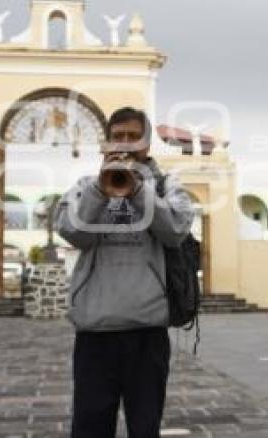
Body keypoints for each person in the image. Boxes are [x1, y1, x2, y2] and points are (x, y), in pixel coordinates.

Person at [56, 107, 194, 438]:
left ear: (147, 143)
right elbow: (73, 232)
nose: (126, 144)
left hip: (147, 331)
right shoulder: (85, 186)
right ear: (105, 144)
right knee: (90, 427)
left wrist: (137, 189)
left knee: (145, 428)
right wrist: (100, 190)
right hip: (95, 330)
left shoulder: (167, 187)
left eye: (134, 137)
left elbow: (175, 231)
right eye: (118, 137)